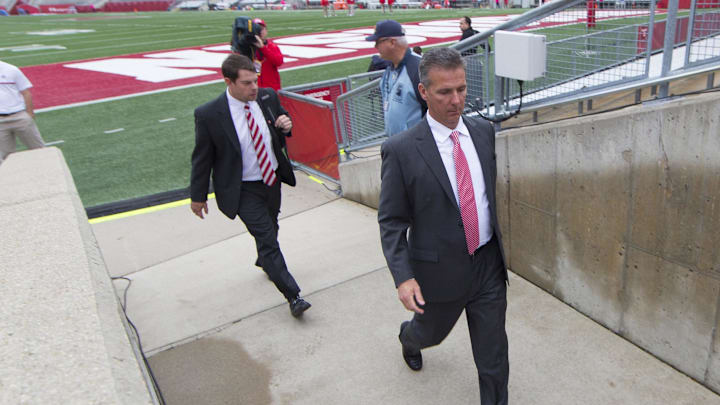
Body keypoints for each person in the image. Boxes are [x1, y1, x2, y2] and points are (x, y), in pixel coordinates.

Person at [377, 47, 509, 404]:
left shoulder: (484, 132)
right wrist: (404, 277)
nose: (456, 100)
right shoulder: (401, 150)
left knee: (493, 356)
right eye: (444, 92)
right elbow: (390, 221)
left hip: (487, 264)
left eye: (461, 89)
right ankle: (409, 338)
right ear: (424, 92)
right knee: (429, 335)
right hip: (439, 272)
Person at [190, 54, 311, 318]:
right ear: (229, 82)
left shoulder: (267, 97)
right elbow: (202, 158)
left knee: (271, 226)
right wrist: (198, 196)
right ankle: (293, 296)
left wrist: (285, 125)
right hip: (242, 189)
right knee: (268, 238)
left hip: (271, 180)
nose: (254, 87)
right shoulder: (209, 114)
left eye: (255, 81)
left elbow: (279, 125)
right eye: (246, 83)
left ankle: (265, 260)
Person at [365, 20, 427, 137]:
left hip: (416, 147)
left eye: (378, 42)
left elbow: (436, 111)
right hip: (396, 145)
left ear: (392, 42)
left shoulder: (418, 68)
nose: (375, 46)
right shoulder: (390, 68)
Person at [0, 60, 45, 165]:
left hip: (19, 116)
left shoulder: (11, 69)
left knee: (39, 149)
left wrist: (29, 115)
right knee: (6, 157)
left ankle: (50, 175)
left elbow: (26, 93)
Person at [253, 18, 284, 91]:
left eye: (261, 28)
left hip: (272, 89)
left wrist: (263, 48)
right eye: (256, 29)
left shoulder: (272, 46)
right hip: (255, 89)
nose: (260, 31)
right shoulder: (249, 49)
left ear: (266, 30)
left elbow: (278, 62)